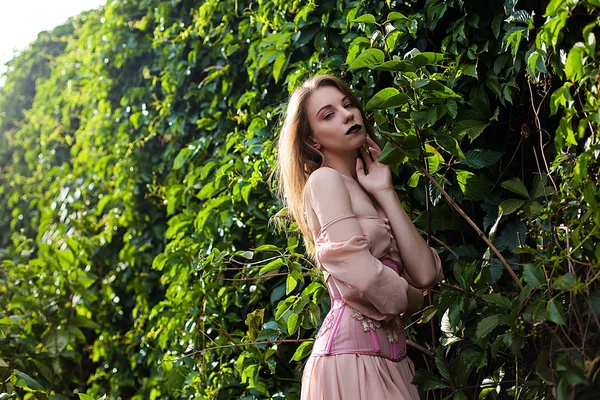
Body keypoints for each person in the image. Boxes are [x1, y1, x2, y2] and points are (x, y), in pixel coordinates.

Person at [274, 74, 444, 399]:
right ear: (313, 141)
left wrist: (386, 191)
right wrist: (418, 299)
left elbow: (425, 272)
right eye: (329, 114)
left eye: (348, 104)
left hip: (396, 364)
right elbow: (366, 276)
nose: (348, 114)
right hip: (350, 363)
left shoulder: (367, 187)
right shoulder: (325, 181)